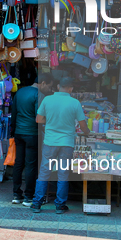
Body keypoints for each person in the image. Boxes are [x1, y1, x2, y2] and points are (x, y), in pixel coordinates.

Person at [31, 77, 90, 214]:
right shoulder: (75, 103)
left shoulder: (47, 99)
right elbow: (82, 125)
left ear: (58, 86)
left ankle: (37, 204)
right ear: (71, 88)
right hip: (66, 143)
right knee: (63, 174)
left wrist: (50, 121)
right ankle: (60, 205)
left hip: (50, 142)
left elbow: (38, 120)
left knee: (44, 173)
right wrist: (88, 133)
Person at [10, 73, 54, 207]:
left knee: (19, 163)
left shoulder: (20, 92)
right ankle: (28, 197)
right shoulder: (39, 95)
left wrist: (13, 131)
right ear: (43, 83)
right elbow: (39, 118)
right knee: (31, 165)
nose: (49, 90)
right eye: (49, 87)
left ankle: (16, 195)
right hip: (32, 134)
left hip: (19, 132)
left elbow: (14, 112)